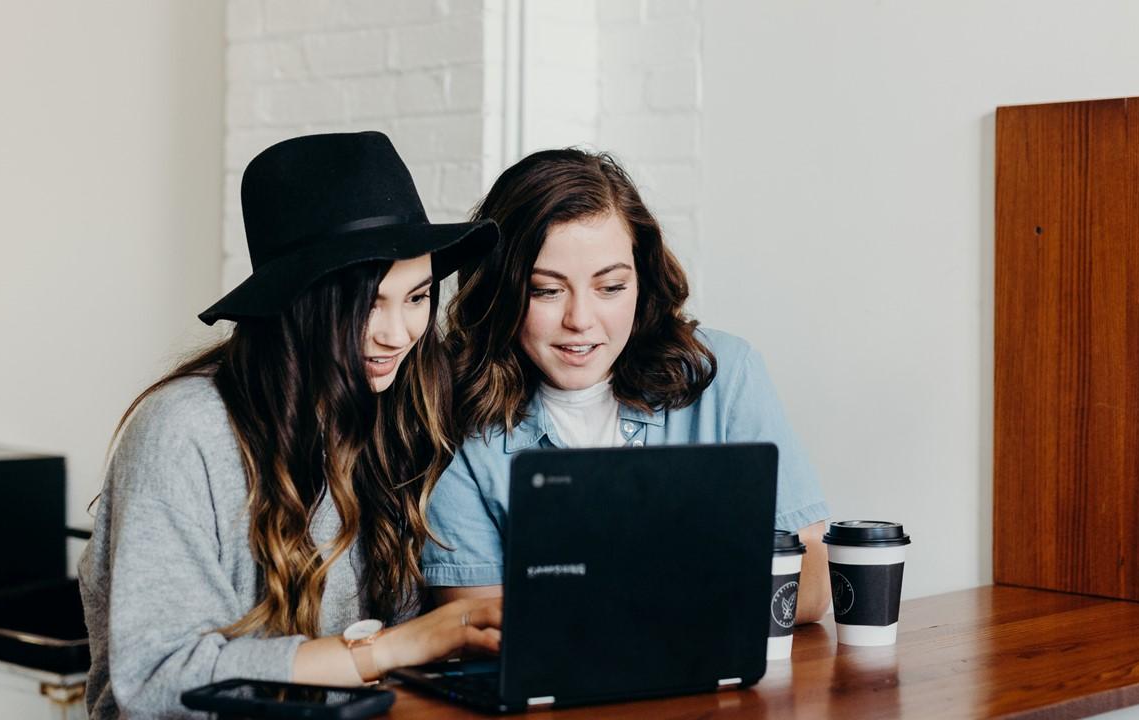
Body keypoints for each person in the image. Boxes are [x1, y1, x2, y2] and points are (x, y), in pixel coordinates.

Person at [78, 132, 503, 719]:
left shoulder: (397, 413)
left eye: (418, 297)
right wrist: (395, 646)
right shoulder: (184, 431)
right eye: (369, 303)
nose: (399, 333)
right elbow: (159, 681)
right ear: (300, 301)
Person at [423, 149, 832, 622]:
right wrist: (699, 583)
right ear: (501, 290)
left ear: (642, 280)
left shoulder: (724, 374)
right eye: (546, 290)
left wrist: (598, 600)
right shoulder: (456, 413)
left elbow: (810, 586)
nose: (580, 320)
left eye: (611, 287)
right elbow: (475, 625)